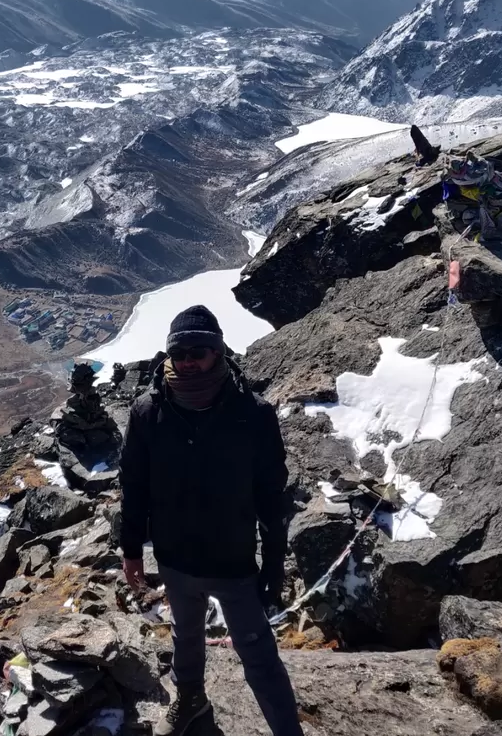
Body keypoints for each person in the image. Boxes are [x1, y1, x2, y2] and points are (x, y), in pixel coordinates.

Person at [119, 305, 304, 736]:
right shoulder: (148, 412)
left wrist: (273, 564)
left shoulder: (252, 413)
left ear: (218, 351)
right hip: (175, 557)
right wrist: (131, 551)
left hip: (232, 559)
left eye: (198, 350)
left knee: (257, 653)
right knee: (186, 637)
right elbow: (135, 487)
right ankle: (192, 699)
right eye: (179, 351)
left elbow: (271, 497)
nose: (188, 359)